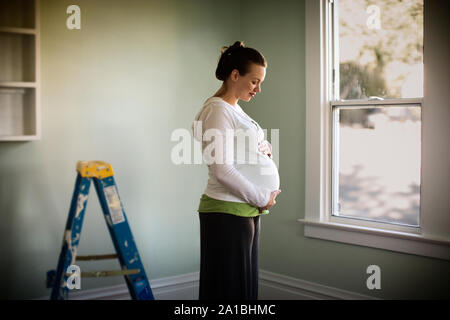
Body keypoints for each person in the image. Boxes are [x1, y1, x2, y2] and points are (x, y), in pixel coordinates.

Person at [191, 41, 281, 300]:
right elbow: (222, 170)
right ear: (234, 75)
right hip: (226, 211)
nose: (258, 89)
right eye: (254, 81)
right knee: (229, 292)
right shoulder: (216, 110)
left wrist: (262, 149)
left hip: (243, 210)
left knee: (243, 290)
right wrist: (262, 197)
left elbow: (241, 149)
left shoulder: (233, 109)